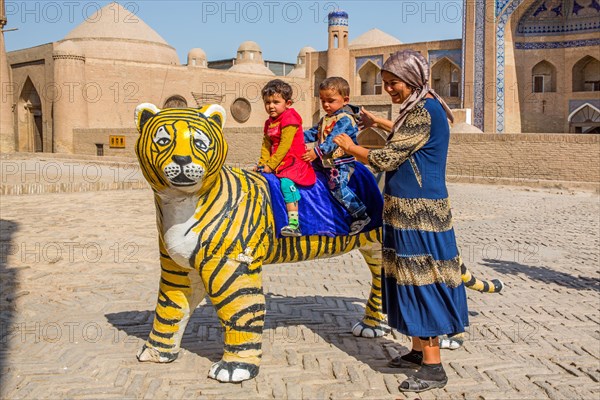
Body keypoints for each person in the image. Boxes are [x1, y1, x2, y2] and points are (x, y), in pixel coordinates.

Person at [333, 50, 469, 393]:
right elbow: (406, 138)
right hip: (404, 209)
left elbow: (389, 156)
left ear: (411, 79)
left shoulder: (424, 110)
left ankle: (434, 367)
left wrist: (350, 146)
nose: (389, 90)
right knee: (404, 279)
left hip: (419, 213)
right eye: (386, 84)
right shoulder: (419, 108)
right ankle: (417, 351)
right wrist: (377, 122)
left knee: (421, 281)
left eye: (393, 84)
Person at [302, 77, 370, 235]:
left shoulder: (345, 119)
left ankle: (360, 214)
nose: (326, 105)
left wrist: (315, 152)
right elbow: (313, 133)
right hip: (325, 162)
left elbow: (334, 139)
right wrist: (295, 135)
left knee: (338, 188)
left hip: (340, 164)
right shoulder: (325, 118)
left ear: (345, 100)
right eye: (323, 100)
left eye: (331, 101)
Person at [257, 79, 316, 237]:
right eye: (267, 102)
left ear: (287, 103)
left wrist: (271, 165)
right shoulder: (269, 122)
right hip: (277, 161)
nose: (271, 106)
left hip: (292, 162)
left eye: (276, 102)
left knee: (286, 184)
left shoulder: (290, 118)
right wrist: (262, 164)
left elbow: (285, 145)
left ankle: (294, 223)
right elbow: (266, 144)